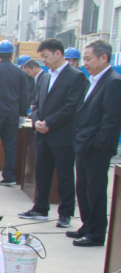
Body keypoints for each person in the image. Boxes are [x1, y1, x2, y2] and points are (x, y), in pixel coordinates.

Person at [18, 38, 88, 228]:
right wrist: (37, 121)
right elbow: (35, 103)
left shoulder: (76, 77)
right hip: (43, 134)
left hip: (62, 136)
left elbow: (71, 107)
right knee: (42, 173)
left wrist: (49, 122)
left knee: (64, 176)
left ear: (58, 54)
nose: (43, 60)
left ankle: (65, 213)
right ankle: (40, 208)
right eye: (42, 57)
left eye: (45, 56)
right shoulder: (44, 77)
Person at [68, 40, 121, 246]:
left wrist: (99, 144)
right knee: (83, 188)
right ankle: (87, 225)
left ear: (104, 58)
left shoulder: (113, 81)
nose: (85, 63)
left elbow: (111, 119)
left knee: (96, 191)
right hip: (84, 145)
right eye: (84, 59)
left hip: (97, 148)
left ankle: (96, 233)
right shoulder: (93, 80)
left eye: (88, 59)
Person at [0, 40, 30, 185]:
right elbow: (24, 95)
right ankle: (9, 177)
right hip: (12, 113)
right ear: (12, 55)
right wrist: (22, 113)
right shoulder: (19, 72)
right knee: (10, 146)